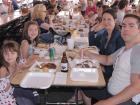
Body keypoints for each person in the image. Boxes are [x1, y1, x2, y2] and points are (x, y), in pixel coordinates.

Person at [82, 14, 140, 105]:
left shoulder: (137, 51)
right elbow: (107, 60)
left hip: (125, 100)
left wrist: (106, 103)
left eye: (131, 26)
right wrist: (87, 53)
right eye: (124, 26)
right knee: (83, 87)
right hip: (110, 90)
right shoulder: (124, 49)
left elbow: (136, 87)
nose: (126, 29)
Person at [0, 40, 19, 105]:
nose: (9, 56)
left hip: (13, 91)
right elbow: (4, 89)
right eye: (6, 53)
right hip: (4, 98)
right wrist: (14, 74)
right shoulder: (4, 69)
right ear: (3, 55)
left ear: (17, 54)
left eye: (12, 53)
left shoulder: (16, 64)